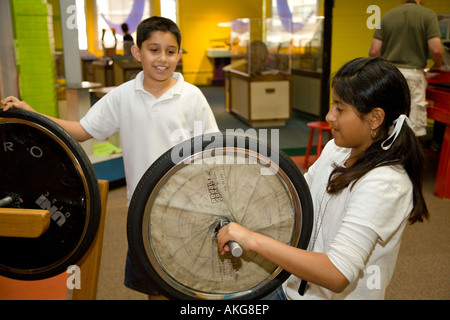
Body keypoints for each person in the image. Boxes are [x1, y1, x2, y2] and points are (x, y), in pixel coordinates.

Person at [2, 16, 219, 299]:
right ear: (137, 52)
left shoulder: (192, 97)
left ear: (179, 54)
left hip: (188, 210)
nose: (162, 58)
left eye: (170, 51)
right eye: (154, 50)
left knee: (192, 285)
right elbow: (81, 130)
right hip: (142, 211)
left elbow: (214, 152)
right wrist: (31, 113)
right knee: (155, 287)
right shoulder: (123, 96)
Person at [217, 57, 429, 300]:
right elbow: (295, 200)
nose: (329, 116)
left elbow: (337, 273)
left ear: (375, 118)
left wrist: (251, 239)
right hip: (291, 286)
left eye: (339, 108)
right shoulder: (335, 150)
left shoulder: (385, 183)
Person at [368, 0, 444, 137]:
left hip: (389, 74)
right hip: (413, 76)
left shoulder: (388, 16)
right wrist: (438, 65)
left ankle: (386, 156)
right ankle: (408, 157)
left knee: (388, 122)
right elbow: (436, 49)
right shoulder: (427, 15)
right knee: (411, 126)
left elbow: (374, 51)